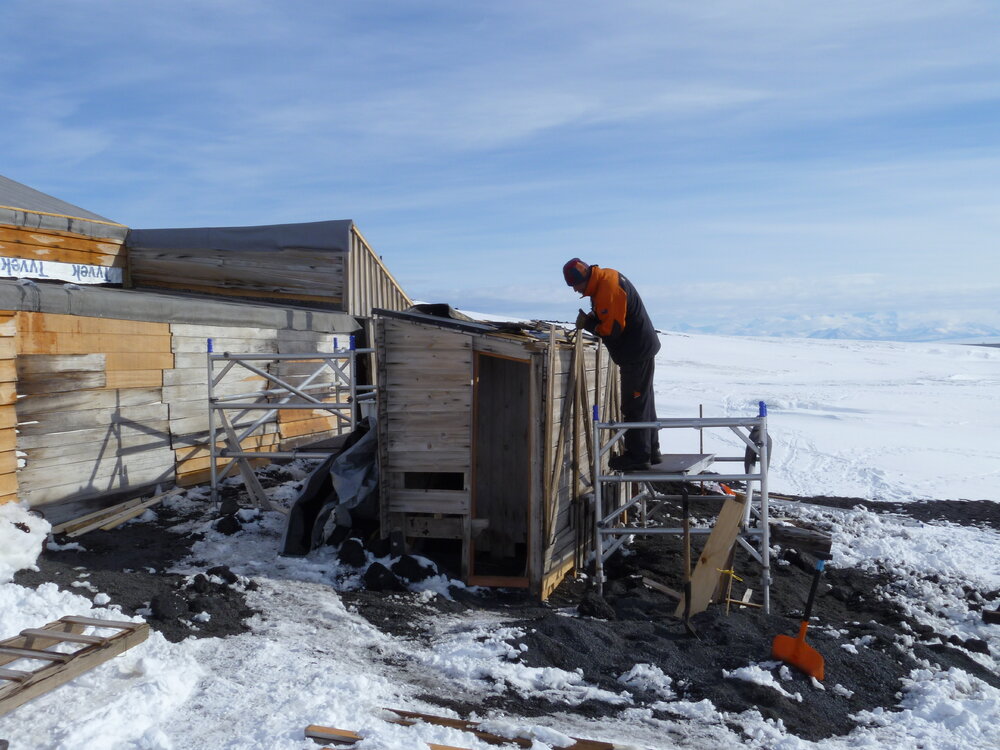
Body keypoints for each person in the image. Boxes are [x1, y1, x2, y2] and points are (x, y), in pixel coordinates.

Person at [563, 257, 661, 471]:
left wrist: (589, 323)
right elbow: (610, 315)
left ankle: (638, 456)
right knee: (644, 401)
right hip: (639, 349)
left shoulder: (608, 287)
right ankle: (651, 451)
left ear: (582, 278)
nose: (575, 291)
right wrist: (593, 318)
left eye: (574, 286)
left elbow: (612, 331)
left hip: (635, 352)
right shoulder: (605, 280)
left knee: (634, 403)